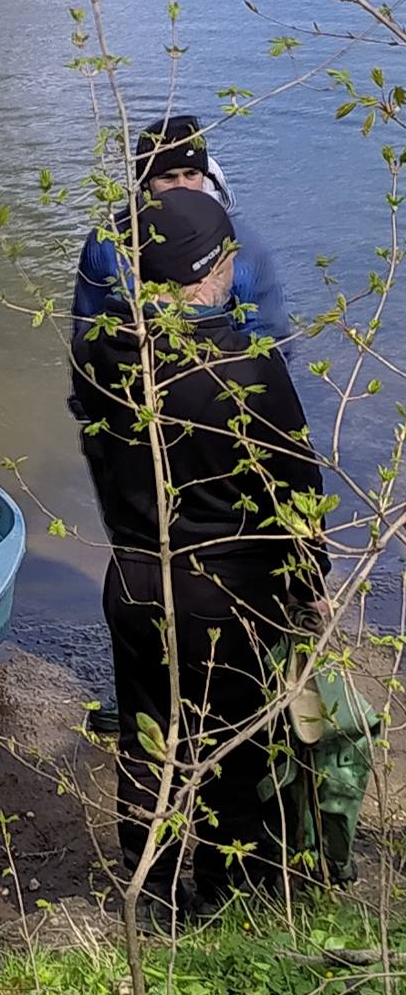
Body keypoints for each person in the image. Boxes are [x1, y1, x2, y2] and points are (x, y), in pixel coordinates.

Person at [70, 187, 327, 920]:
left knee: (149, 742)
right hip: (230, 592)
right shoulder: (249, 366)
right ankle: (221, 898)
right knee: (234, 749)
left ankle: (146, 891)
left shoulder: (101, 354)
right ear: (209, 272)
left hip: (138, 583)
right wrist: (311, 581)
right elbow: (295, 490)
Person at [73, 116, 290, 357]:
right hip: (135, 369)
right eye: (168, 177)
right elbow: (85, 329)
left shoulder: (240, 245)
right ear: (146, 184)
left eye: (191, 174)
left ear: (204, 175)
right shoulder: (108, 243)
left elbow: (270, 338)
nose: (182, 186)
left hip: (218, 370)